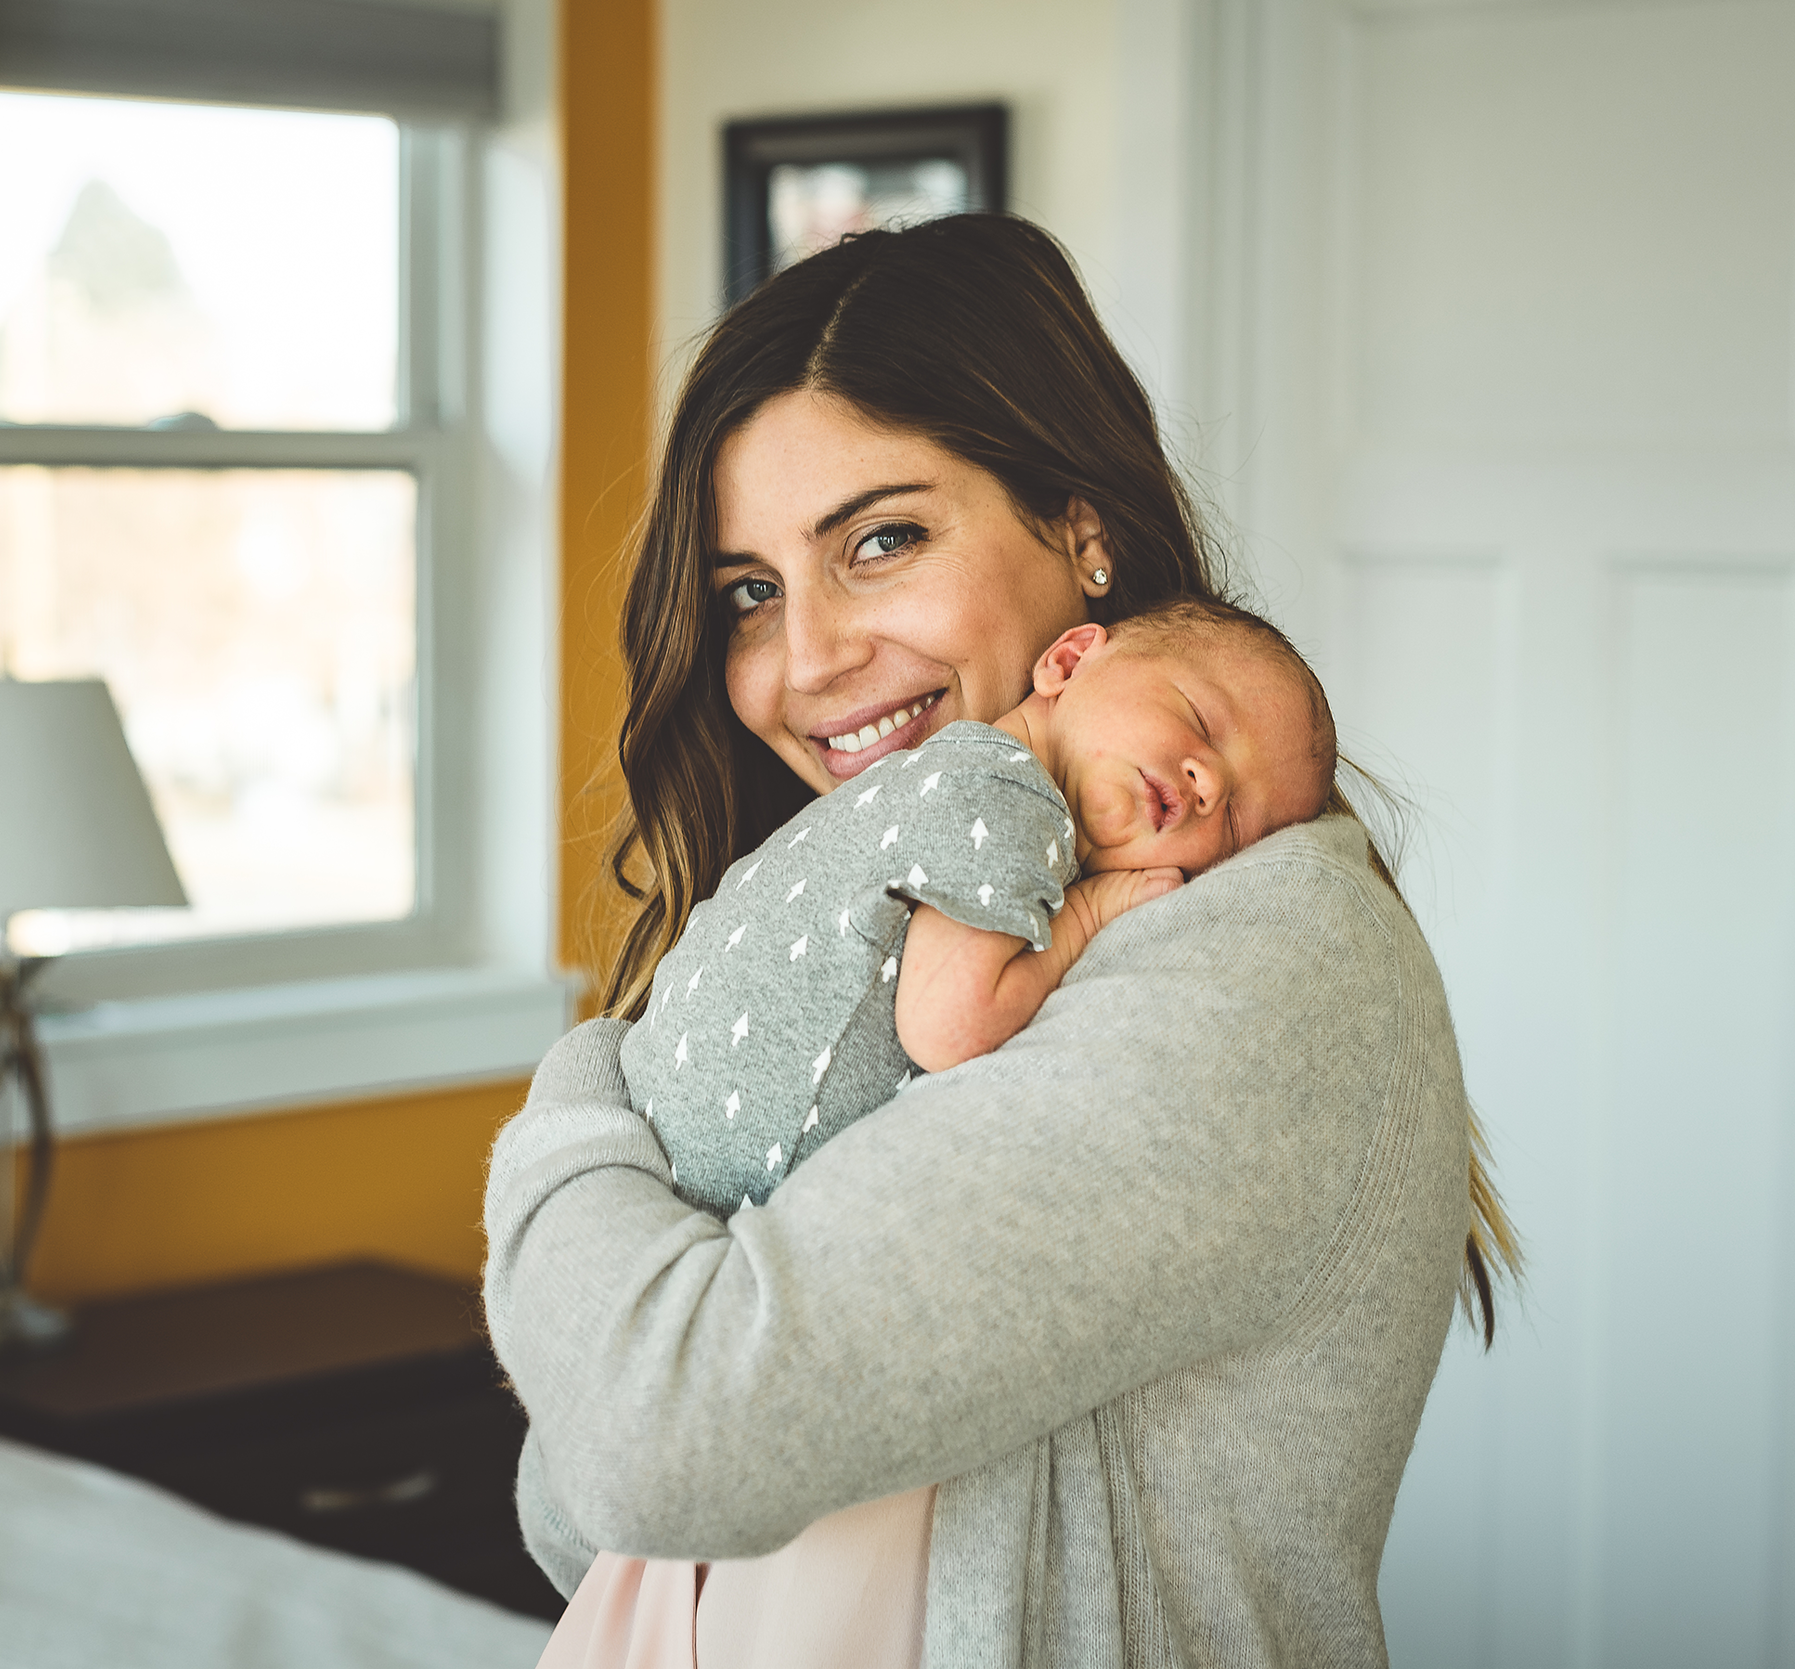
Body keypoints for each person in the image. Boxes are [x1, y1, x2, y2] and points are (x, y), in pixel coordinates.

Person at [483, 213, 1517, 1669]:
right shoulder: (903, 937)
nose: (809, 661)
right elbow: (581, 1508)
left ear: (1081, 538)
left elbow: (657, 1444)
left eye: (883, 540)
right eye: (749, 594)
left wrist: (582, 1096)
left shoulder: (1252, 954)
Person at [637, 601, 1338, 1220]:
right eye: (1200, 719)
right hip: (723, 1177)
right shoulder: (1012, 797)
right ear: (1068, 661)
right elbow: (949, 1023)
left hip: (659, 1132)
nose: (1210, 780)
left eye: (1241, 823)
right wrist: (1086, 920)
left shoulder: (951, 769)